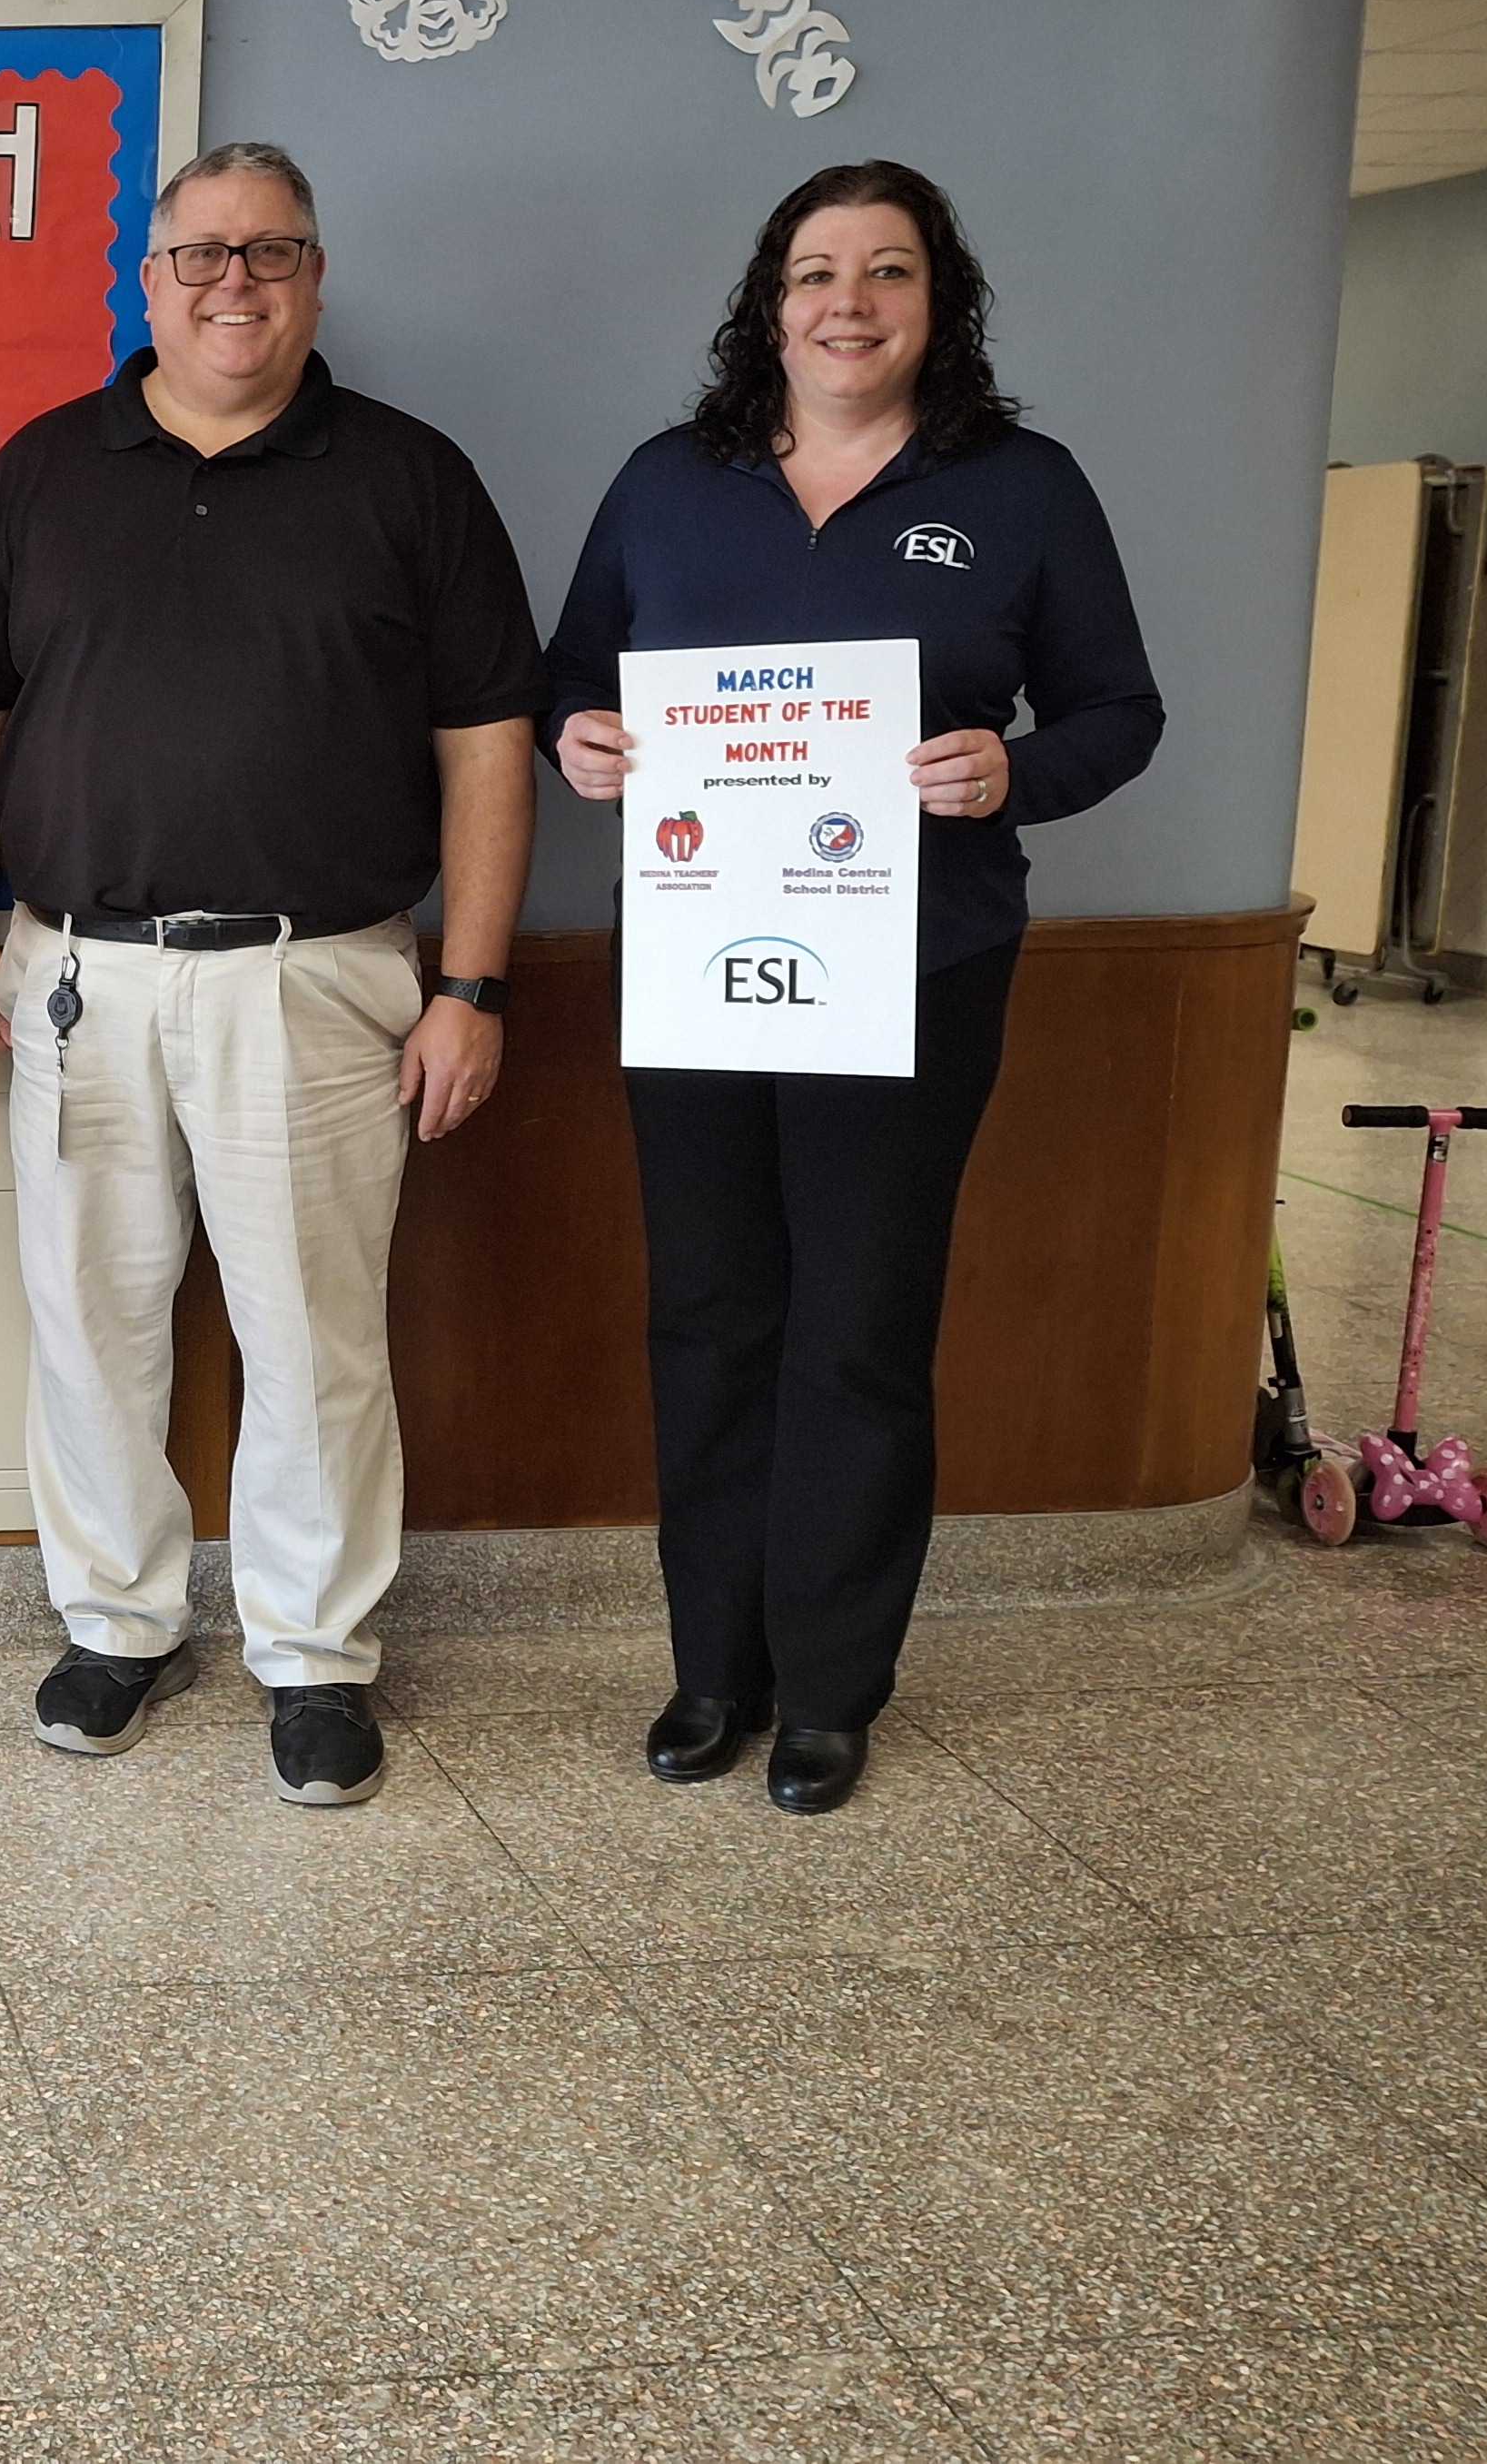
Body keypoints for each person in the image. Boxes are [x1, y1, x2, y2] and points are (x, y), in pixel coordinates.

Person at [0, 139, 543, 1807]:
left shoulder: (412, 479)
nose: (234, 284)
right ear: (150, 280)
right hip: (77, 977)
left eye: (270, 253)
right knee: (92, 1319)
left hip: (320, 979)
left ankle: (314, 1654)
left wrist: (470, 987)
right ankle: (119, 1620)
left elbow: (491, 742)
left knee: (314, 1331)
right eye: (201, 255)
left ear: (318, 277)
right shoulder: (48, 472)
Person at [544, 158, 1161, 1814]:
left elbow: (1118, 713)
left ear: (936, 303)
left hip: (915, 969)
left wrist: (1004, 776)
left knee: (861, 1328)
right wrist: (579, 740)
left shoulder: (1021, 487)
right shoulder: (673, 482)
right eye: (818, 271)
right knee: (711, 1312)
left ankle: (827, 1685)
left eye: (889, 271)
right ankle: (713, 1670)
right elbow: (572, 677)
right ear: (771, 301)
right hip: (695, 960)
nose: (849, 302)